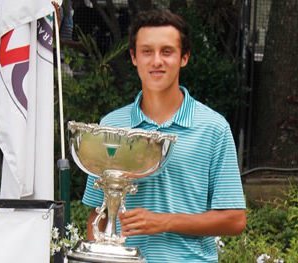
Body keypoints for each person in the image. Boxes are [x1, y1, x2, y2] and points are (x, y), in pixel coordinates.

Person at [82, 9, 247, 262]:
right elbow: (97, 213)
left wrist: (164, 221)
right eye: (147, 51)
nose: (156, 61)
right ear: (134, 57)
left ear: (184, 57)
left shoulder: (213, 127)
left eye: (167, 51)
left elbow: (234, 219)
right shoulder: (112, 125)